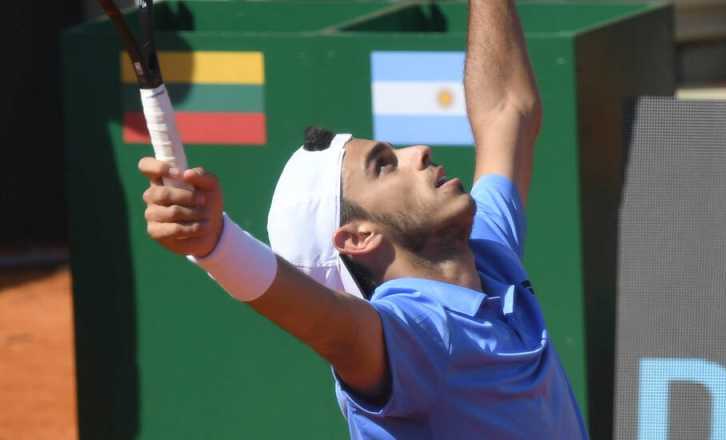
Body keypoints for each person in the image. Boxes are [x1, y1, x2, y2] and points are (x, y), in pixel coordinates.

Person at [136, 1, 588, 438]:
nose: (419, 152)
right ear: (358, 237)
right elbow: (328, 324)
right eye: (385, 165)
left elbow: (506, 113)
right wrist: (216, 244)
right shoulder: (414, 333)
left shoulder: (486, 252)